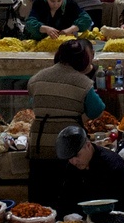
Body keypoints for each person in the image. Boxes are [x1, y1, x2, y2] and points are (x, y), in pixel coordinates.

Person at [26, 39, 101, 202]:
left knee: (41, 203)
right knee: (67, 202)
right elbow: (97, 109)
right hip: (69, 149)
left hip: (39, 146)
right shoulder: (83, 82)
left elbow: (35, 103)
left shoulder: (37, 78)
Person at [46, 125, 124, 214]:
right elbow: (65, 200)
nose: (74, 161)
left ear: (88, 145)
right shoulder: (70, 166)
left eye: (77, 155)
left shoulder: (113, 165)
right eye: (69, 158)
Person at [25, 0, 93, 38]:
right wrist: (44, 28)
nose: (56, 4)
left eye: (59, 0)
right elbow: (29, 23)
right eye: (52, 1)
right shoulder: (39, 4)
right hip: (41, 42)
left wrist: (70, 29)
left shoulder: (71, 5)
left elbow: (86, 19)